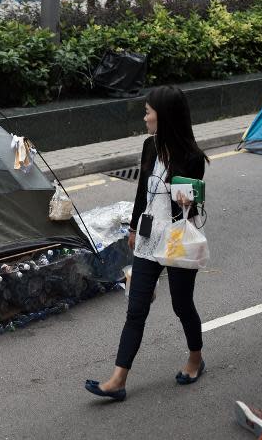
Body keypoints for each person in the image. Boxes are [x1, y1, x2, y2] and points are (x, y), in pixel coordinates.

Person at [84, 86, 210, 401]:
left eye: (148, 111)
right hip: (147, 237)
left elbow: (192, 208)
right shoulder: (149, 147)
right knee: (136, 309)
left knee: (182, 305)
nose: (145, 117)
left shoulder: (192, 158)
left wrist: (184, 194)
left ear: (163, 116)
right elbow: (142, 191)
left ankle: (196, 359)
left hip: (178, 239)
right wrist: (133, 226)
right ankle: (117, 381)